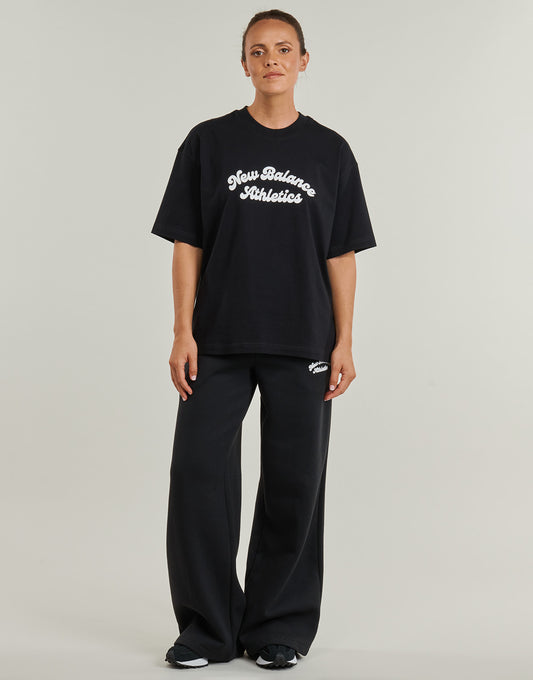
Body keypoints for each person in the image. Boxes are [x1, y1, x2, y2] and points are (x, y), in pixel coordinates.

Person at [150, 8, 377, 671]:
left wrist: (344, 340)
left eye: (283, 49)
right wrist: (182, 330)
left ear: (303, 61)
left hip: (304, 339)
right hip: (217, 339)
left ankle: (278, 627)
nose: (270, 59)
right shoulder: (208, 142)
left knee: (294, 483)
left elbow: (341, 253)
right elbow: (187, 243)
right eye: (257, 50)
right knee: (198, 476)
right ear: (244, 63)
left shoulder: (330, 151)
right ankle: (206, 630)